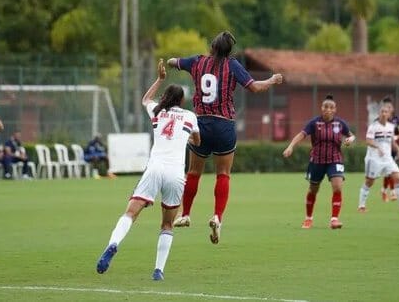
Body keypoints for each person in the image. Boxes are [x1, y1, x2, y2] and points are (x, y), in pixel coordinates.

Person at [167, 31, 283, 244]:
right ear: (230, 51)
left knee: (193, 172)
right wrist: (273, 80)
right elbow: (255, 87)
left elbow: (173, 61)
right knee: (223, 174)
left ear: (212, 46)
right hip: (224, 124)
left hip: (201, 123)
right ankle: (217, 217)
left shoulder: (197, 62)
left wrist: (173, 62)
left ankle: (185, 214)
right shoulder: (232, 65)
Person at [96, 59, 200, 280]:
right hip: (175, 173)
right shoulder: (190, 117)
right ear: (182, 101)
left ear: (165, 98)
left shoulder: (157, 110)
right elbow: (198, 142)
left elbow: (145, 99)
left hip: (154, 168)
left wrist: (160, 79)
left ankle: (113, 244)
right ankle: (158, 270)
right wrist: (188, 138)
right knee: (168, 224)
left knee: (130, 213)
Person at [282, 94, 356, 229]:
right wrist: (290, 146)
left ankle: (334, 219)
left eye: (331, 107)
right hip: (317, 161)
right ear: (321, 108)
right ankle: (308, 218)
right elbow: (301, 134)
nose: (328, 109)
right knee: (313, 189)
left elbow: (351, 135)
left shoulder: (340, 124)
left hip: (335, 159)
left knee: (338, 186)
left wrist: (351, 139)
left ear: (335, 109)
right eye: (325, 106)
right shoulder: (315, 123)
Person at [357, 103, 399, 213]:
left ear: (389, 114)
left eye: (386, 112)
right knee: (369, 182)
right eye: (382, 112)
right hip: (374, 159)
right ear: (379, 114)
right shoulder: (373, 126)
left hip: (387, 159)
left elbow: (392, 141)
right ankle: (361, 206)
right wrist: (377, 147)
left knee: (398, 178)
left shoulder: (391, 127)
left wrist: (398, 149)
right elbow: (368, 141)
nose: (384, 114)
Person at [380, 97, 399, 202]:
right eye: (386, 107)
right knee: (390, 172)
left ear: (392, 108)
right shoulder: (380, 121)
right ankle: (392, 192)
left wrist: (395, 137)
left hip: (395, 149)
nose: (388, 109)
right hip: (384, 150)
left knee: (390, 172)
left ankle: (384, 190)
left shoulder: (397, 120)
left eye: (390, 107)